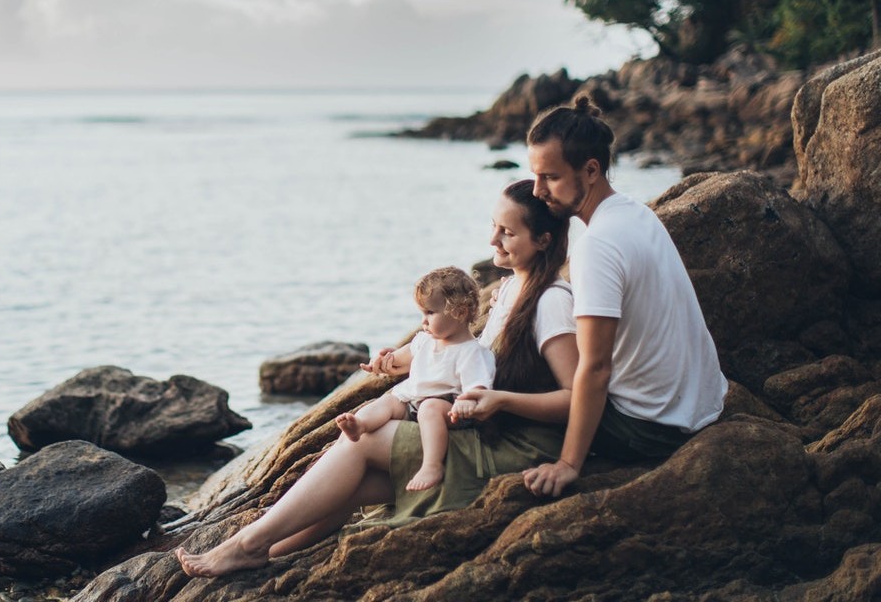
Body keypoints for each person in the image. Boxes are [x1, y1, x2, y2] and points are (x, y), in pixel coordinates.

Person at [175, 180, 577, 577]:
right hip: (484, 428)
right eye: (493, 226)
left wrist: (501, 401)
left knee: (361, 442)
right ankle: (268, 550)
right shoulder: (511, 288)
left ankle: (246, 545)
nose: (493, 239)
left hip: (515, 446)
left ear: (542, 240)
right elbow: (467, 357)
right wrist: (402, 364)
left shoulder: (551, 302)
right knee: (358, 480)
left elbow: (576, 399)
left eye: (507, 232)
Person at [520, 95, 727, 499]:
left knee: (524, 379)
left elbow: (596, 368)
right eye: (535, 176)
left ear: (591, 170)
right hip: (703, 405)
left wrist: (568, 464)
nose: (538, 190)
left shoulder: (596, 245)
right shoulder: (634, 212)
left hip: (651, 428)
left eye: (550, 177)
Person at [334, 266, 495, 492]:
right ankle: (360, 425)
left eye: (430, 313)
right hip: (413, 402)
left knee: (430, 408)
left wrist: (468, 402)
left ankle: (432, 465)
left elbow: (478, 386)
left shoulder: (471, 352)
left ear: (459, 312)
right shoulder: (424, 341)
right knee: (389, 401)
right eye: (422, 314)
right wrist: (380, 362)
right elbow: (398, 358)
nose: (423, 321)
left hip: (448, 409)